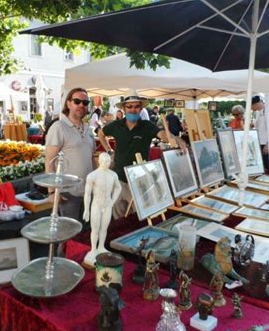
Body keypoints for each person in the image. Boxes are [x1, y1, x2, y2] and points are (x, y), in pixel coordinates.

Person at [98, 90, 186, 219]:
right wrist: (109, 150)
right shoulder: (116, 125)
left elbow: (162, 135)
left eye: (136, 106)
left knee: (139, 219)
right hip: (118, 179)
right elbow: (101, 133)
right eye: (129, 106)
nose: (133, 110)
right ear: (123, 108)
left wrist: (175, 138)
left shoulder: (147, 126)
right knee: (117, 219)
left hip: (139, 181)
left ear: (141, 108)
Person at [45, 87, 96, 222]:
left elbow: (91, 159)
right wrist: (52, 192)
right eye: (77, 101)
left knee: (85, 236)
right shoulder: (58, 127)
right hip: (68, 193)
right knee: (68, 235)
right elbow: (49, 160)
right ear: (68, 103)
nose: (81, 105)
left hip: (89, 192)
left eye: (85, 103)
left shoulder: (89, 129)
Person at [83, 153, 121, 266]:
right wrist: (86, 209)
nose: (106, 163)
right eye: (104, 161)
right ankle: (93, 249)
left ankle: (101, 247)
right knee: (95, 229)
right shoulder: (92, 175)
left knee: (104, 228)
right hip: (96, 205)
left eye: (108, 161)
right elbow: (87, 194)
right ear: (99, 161)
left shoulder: (113, 175)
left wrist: (112, 201)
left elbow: (118, 188)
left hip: (107, 205)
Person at [251, 95, 269, 171]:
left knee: (267, 166)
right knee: (262, 165)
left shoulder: (268, 111)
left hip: (265, 143)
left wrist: (268, 145)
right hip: (259, 142)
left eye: (251, 106)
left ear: (255, 104)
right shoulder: (259, 112)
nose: (251, 108)